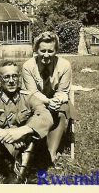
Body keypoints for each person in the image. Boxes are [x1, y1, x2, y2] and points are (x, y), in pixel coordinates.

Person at [0, 61, 53, 183]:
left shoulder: (28, 97)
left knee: (36, 129)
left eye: (15, 76)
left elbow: (46, 116)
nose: (11, 81)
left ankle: (18, 175)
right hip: (2, 146)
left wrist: (21, 131)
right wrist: (3, 133)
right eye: (6, 77)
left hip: (25, 143)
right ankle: (20, 172)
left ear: (20, 78)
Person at [21, 31, 77, 164]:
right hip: (33, 100)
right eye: (42, 50)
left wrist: (56, 101)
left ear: (56, 50)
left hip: (55, 100)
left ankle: (51, 153)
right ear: (36, 50)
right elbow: (32, 92)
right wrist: (47, 102)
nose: (46, 55)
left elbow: (63, 90)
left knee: (62, 107)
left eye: (50, 51)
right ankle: (34, 146)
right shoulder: (28, 66)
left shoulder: (64, 65)